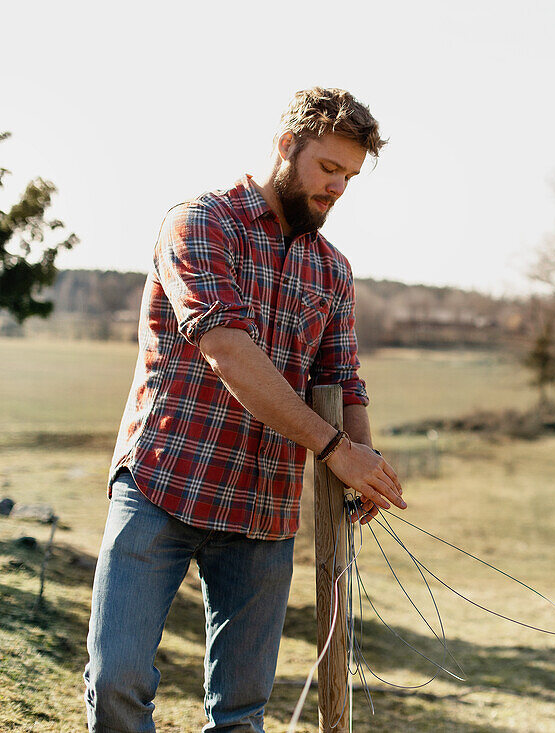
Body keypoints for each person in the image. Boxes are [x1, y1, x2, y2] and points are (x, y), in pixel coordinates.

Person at [84, 87, 406, 732]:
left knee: (239, 714)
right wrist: (335, 449)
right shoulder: (200, 224)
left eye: (349, 175)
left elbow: (342, 378)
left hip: (263, 511)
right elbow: (226, 350)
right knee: (118, 679)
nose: (337, 188)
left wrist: (362, 461)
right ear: (287, 147)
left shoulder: (331, 270)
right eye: (327, 169)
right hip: (164, 485)